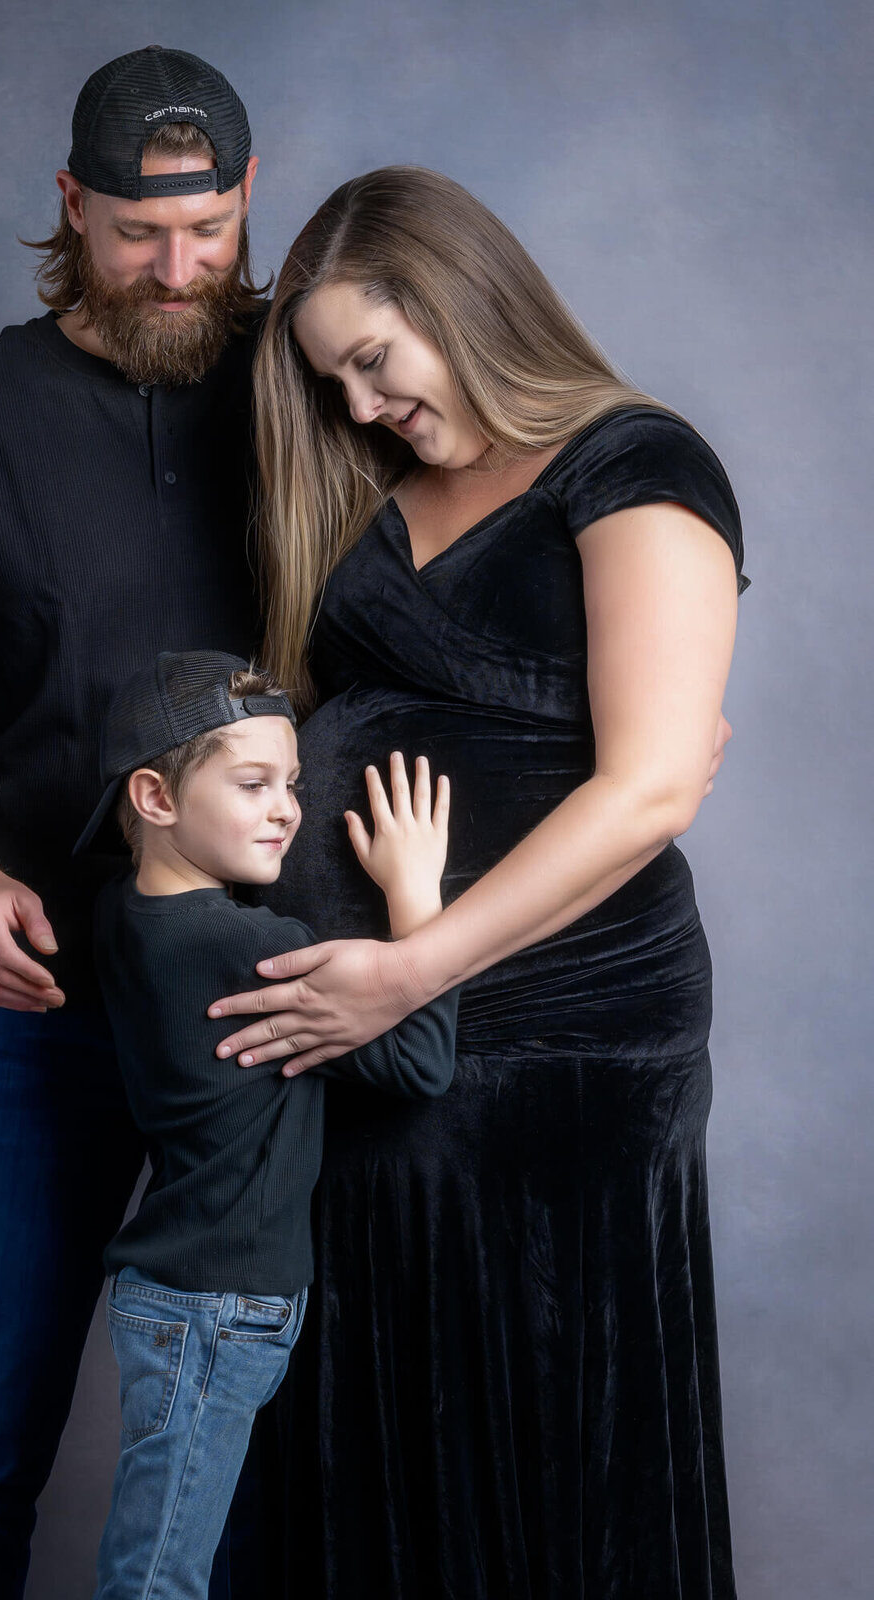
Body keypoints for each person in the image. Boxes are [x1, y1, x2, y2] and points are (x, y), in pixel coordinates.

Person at [208, 167, 749, 1598]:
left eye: (374, 362)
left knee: (537, 1421)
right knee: (377, 1434)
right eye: (336, 385)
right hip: (373, 1035)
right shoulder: (383, 481)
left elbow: (645, 785)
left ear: (459, 297)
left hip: (553, 1032)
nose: (364, 407)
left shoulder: (633, 463)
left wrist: (411, 968)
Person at [0, 46, 269, 1600]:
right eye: (139, 231)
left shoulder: (311, 377)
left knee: (277, 1439)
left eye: (208, 230)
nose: (177, 270)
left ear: (247, 200)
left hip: (271, 1005)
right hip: (41, 1004)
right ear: (71, 207)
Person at [78, 648, 457, 1599]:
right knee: (159, 1576)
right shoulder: (250, 945)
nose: (287, 807)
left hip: (185, 1297)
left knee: (181, 1556)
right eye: (253, 784)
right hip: (217, 1307)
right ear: (157, 799)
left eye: (289, 782)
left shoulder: (125, 916)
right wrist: (416, 893)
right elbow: (420, 1063)